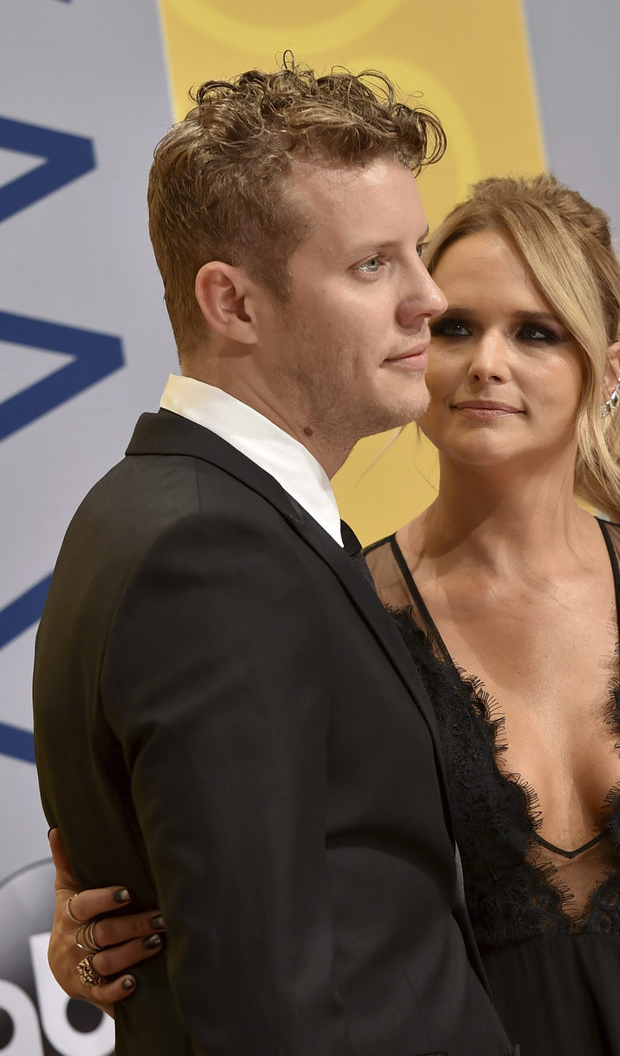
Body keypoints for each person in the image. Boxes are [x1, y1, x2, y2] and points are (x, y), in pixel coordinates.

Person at [46, 175, 620, 1055]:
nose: (488, 362)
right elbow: (246, 878)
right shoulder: (338, 604)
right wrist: (97, 944)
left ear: (608, 370)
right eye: (457, 327)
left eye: (535, 332)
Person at [32, 62, 515, 1056]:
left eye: (415, 253)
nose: (428, 299)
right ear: (234, 304)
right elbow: (262, 1009)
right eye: (373, 265)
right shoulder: (210, 555)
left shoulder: (212, 518)